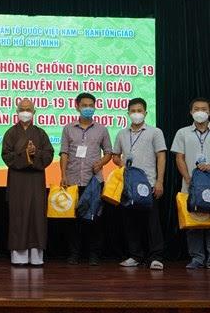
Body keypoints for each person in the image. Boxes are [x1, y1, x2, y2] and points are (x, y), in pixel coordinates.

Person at [112, 97, 166, 270]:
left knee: (152, 222)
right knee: (130, 222)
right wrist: (121, 163)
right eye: (133, 111)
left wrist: (159, 181)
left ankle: (156, 257)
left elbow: (161, 156)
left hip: (149, 183)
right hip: (128, 185)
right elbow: (115, 155)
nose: (136, 114)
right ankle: (135, 255)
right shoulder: (121, 134)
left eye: (139, 111)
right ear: (128, 113)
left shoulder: (155, 132)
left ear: (145, 113)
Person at [59, 93, 112, 266]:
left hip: (94, 181)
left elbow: (109, 152)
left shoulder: (102, 129)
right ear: (77, 106)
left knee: (94, 220)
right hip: (73, 180)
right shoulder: (68, 128)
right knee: (72, 221)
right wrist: (63, 175)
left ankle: (94, 255)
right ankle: (74, 254)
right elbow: (64, 153)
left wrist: (101, 162)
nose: (88, 108)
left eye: (91, 105)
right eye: (84, 105)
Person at [2, 98, 54, 266]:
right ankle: (19, 256)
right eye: (22, 109)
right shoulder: (11, 133)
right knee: (18, 213)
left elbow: (49, 154)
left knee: (37, 214)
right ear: (17, 112)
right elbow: (6, 156)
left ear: (34, 112)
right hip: (17, 179)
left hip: (36, 179)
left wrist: (35, 152)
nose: (25, 112)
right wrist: (25, 154)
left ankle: (36, 256)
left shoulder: (40, 133)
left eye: (28, 109)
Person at [171, 97, 210, 269]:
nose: (200, 112)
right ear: (191, 112)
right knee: (193, 222)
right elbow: (179, 157)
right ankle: (197, 258)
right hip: (190, 185)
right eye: (196, 109)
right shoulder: (183, 133)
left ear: (209, 112)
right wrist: (188, 178)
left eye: (204, 109)